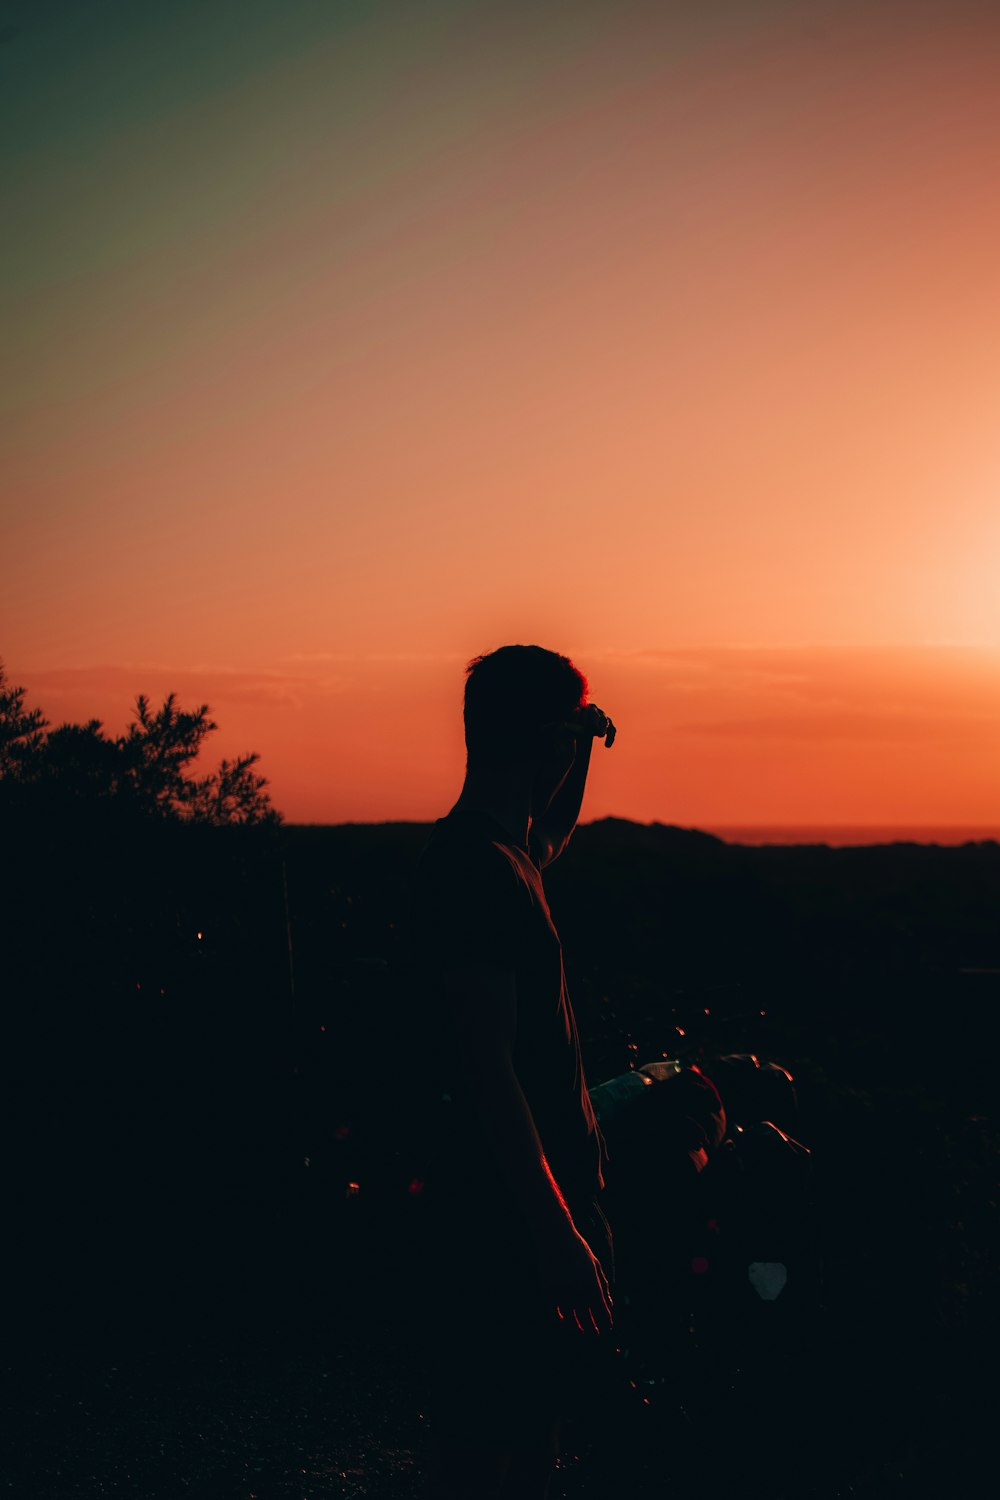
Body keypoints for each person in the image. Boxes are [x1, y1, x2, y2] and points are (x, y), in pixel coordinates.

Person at [406, 644, 617, 1500]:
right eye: (568, 727)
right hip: (504, 1223)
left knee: (531, 1436)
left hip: (527, 1211)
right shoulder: (476, 873)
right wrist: (554, 1232)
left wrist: (579, 752)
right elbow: (488, 1069)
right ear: (545, 740)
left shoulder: (503, 855)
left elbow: (550, 836)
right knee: (491, 1452)